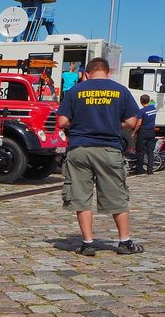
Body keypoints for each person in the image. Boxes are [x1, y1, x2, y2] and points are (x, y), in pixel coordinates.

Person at [56, 57, 143, 256]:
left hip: (79, 149)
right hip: (109, 149)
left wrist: (78, 125)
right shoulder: (120, 90)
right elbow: (131, 121)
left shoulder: (75, 91)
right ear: (108, 72)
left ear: (87, 73)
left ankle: (87, 243)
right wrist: (113, 125)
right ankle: (125, 242)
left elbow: (62, 121)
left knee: (81, 197)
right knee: (117, 195)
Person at [132, 95, 157, 175]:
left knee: (140, 151)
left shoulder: (141, 111)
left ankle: (139, 169)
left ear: (141, 101)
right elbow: (153, 103)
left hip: (143, 132)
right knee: (150, 151)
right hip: (152, 132)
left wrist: (134, 132)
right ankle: (150, 169)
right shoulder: (153, 108)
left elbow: (139, 124)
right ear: (148, 100)